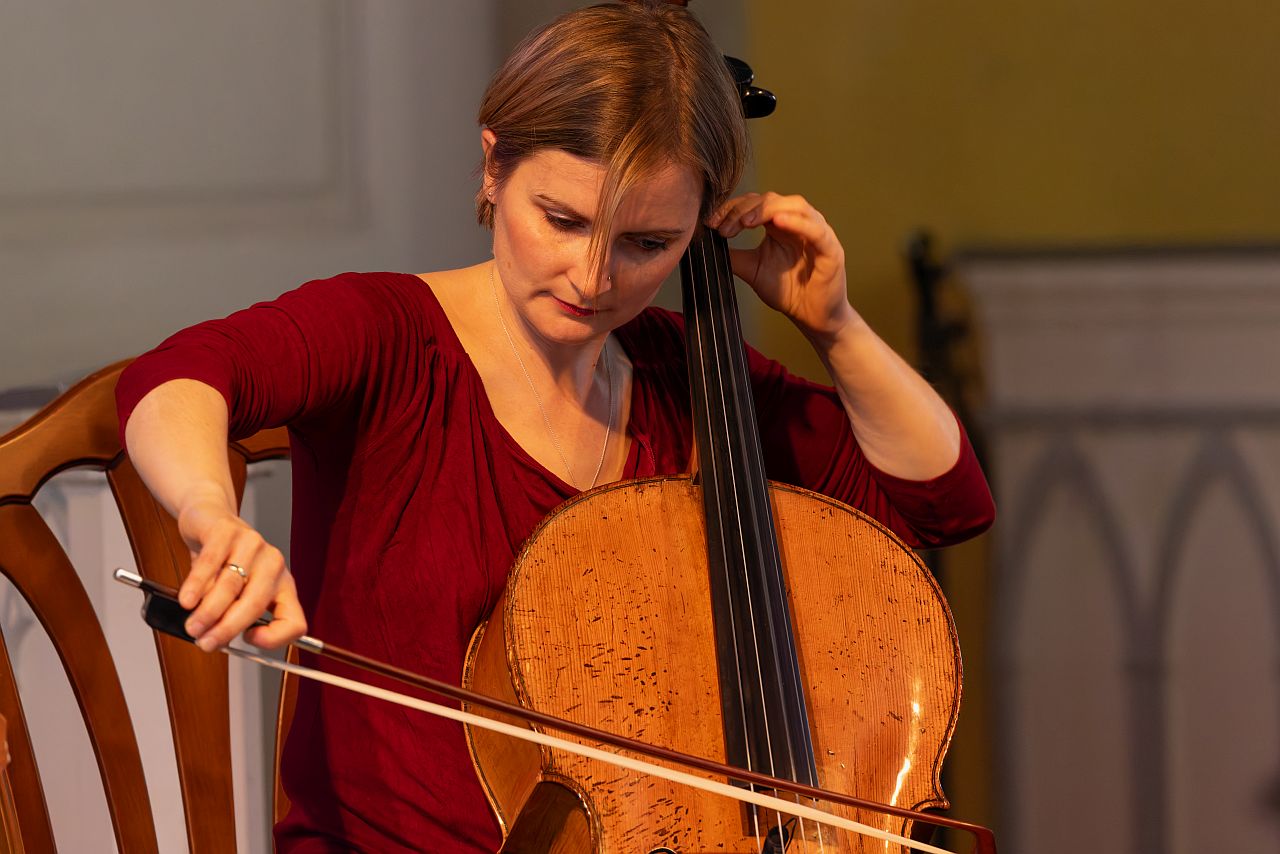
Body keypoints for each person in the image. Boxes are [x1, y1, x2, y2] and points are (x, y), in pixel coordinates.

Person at [116, 2, 994, 850]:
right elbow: (178, 377)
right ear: (493, 167)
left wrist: (835, 327)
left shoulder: (684, 374)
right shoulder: (390, 337)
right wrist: (210, 514)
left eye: (648, 243)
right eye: (564, 221)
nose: (593, 277)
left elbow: (940, 502)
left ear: (701, 226)